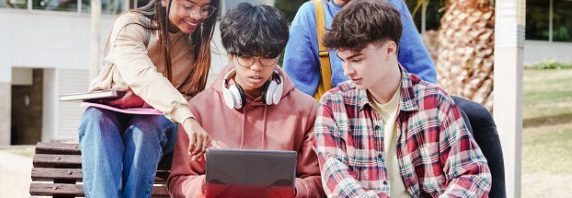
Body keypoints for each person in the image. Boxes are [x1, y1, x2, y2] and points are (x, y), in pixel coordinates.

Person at [312, 0, 491, 197]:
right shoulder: (333, 105)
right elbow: (337, 181)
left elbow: (473, 175)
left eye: (356, 60)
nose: (347, 71)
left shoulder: (435, 102)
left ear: (389, 49)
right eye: (342, 60)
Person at [167, 3, 325, 197]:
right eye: (247, 57)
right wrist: (206, 186)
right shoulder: (199, 109)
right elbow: (179, 181)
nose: (256, 67)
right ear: (231, 54)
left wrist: (292, 190)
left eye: (267, 57)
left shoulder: (306, 110)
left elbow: (318, 181)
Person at [78, 0, 219, 197]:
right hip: (113, 116)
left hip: (158, 125)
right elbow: (143, 75)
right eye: (188, 6)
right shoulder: (131, 26)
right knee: (95, 119)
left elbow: (190, 95)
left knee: (147, 125)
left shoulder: (196, 43)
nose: (197, 15)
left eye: (205, 9)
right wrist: (185, 115)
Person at [283, 0, 437, 99]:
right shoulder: (311, 14)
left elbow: (421, 71)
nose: (347, 70)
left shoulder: (391, 4)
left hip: (397, 112)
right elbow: (297, 92)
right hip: (341, 119)